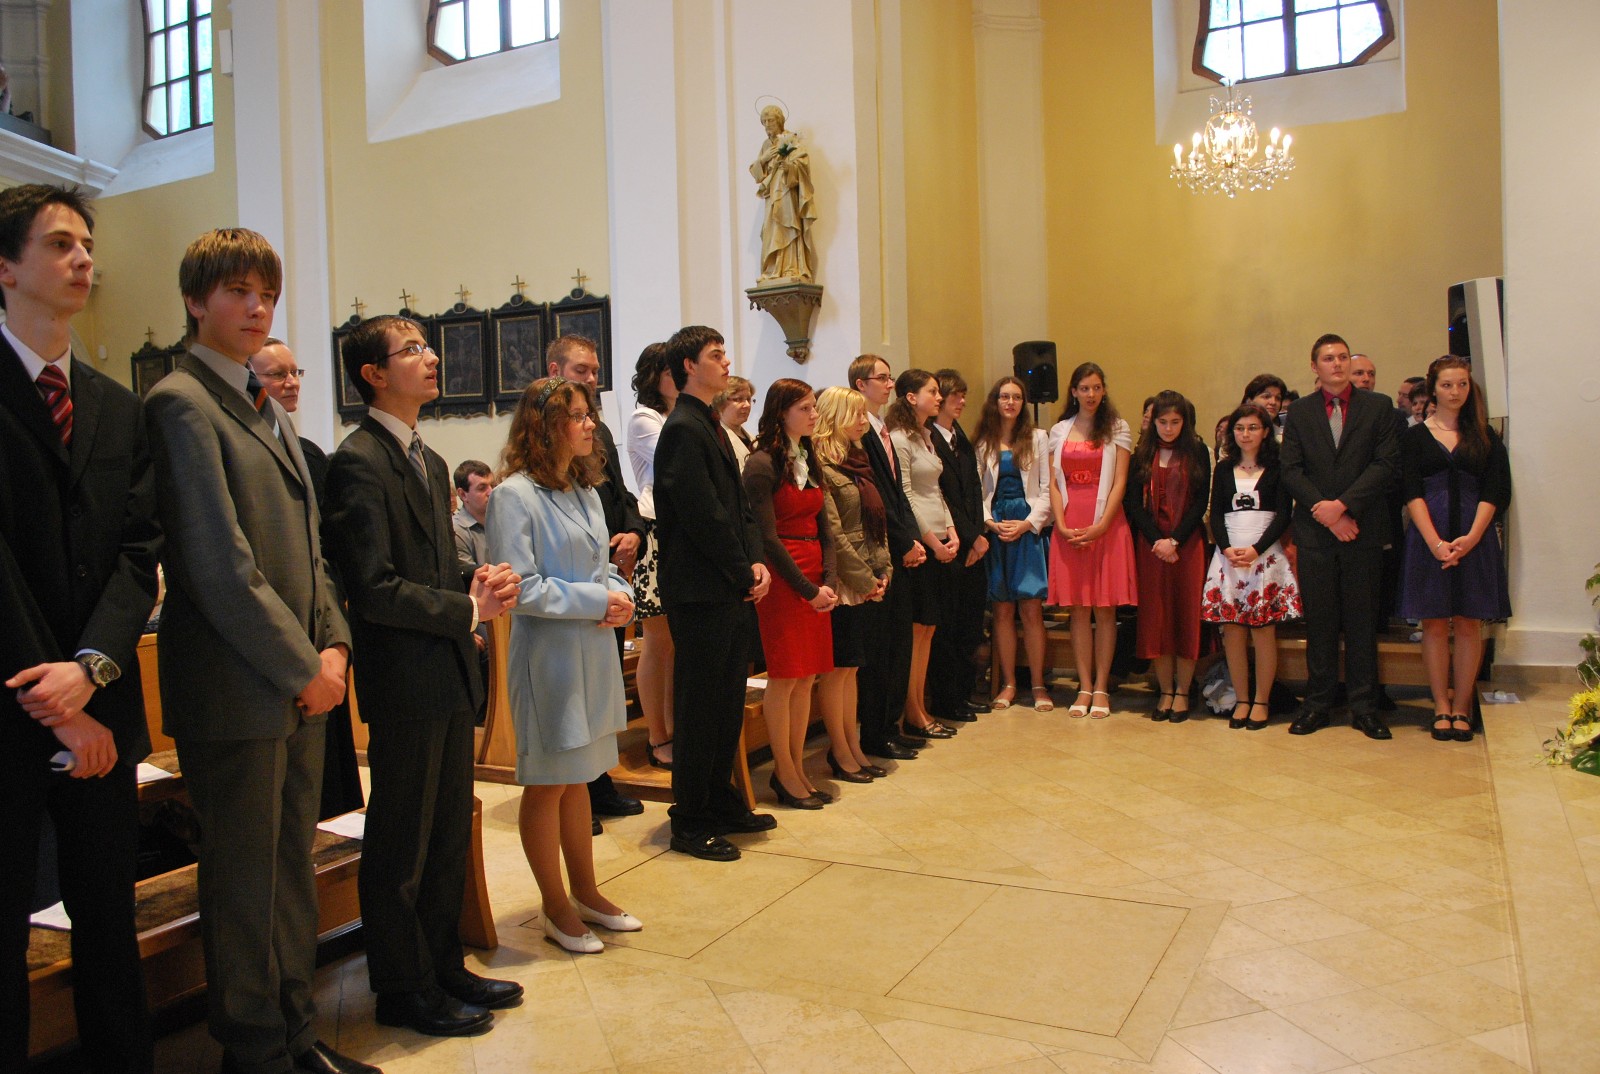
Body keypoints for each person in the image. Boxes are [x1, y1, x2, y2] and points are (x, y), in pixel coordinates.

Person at [144, 229, 374, 1074]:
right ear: (195, 300)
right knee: (244, 881)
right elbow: (216, 562)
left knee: (289, 869)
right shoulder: (180, 402)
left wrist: (335, 645)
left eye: (267, 293)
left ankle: (296, 1033)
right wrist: (302, 666)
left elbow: (311, 552)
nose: (256, 307)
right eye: (238, 291)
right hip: (239, 686)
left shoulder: (261, 402)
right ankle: (253, 1048)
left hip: (301, 681)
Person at [323, 315, 524, 1038]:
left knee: (445, 835)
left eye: (427, 346)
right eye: (411, 350)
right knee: (401, 842)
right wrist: (463, 607)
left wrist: (479, 582)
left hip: (446, 668)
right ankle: (401, 987)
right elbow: (372, 587)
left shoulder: (430, 460)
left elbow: (436, 569)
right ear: (373, 374)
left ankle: (443, 965)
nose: (430, 356)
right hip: (404, 676)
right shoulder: (357, 460)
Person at [1, 183, 159, 1074]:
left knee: (108, 916)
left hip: (102, 707)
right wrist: (53, 694)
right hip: (13, 706)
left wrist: (91, 669)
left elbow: (138, 551)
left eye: (87, 243)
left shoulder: (114, 404)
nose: (84, 257)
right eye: (60, 243)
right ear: (6, 266)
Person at [486, 376, 643, 952]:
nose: (589, 424)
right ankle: (554, 907)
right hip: (548, 657)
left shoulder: (583, 488)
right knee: (548, 783)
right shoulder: (514, 496)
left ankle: (587, 892)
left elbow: (602, 566)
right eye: (576, 415)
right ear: (545, 425)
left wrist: (621, 593)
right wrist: (600, 601)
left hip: (593, 650)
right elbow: (520, 588)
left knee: (580, 777)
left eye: (588, 414)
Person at [655, 326, 774, 861]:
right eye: (715, 355)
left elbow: (739, 507)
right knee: (700, 707)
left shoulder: (708, 422)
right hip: (701, 590)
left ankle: (721, 800)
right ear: (688, 366)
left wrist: (754, 561)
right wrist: (741, 570)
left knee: (727, 703)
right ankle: (689, 819)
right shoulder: (683, 428)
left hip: (726, 584)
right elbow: (701, 514)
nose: (726, 362)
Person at [249, 335, 365, 819]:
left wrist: (336, 641)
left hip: (321, 622)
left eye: (295, 372)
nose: (291, 382)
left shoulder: (310, 453)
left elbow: (328, 547)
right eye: (277, 374)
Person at [544, 335, 648, 827]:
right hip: (570, 581)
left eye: (594, 371)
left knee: (603, 695)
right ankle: (573, 795)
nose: (592, 378)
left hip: (605, 565)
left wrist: (633, 531)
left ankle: (599, 783)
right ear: (554, 371)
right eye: (581, 370)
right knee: (575, 700)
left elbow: (619, 491)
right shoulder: (546, 437)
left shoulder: (597, 429)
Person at [1280, 333, 1401, 739]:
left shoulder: (1378, 406)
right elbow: (1291, 469)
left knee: (1362, 622)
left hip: (1362, 530)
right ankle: (1317, 704)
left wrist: (1345, 506)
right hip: (1316, 532)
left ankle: (1365, 707)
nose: (1337, 364)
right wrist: (1327, 512)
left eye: (1343, 357)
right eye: (1329, 358)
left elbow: (1385, 464)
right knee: (1321, 622)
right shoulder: (1300, 412)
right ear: (1314, 366)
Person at [1398, 356, 1512, 742]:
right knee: (1433, 622)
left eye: (1462, 384)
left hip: (1473, 539)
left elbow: (1497, 490)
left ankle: (1462, 705)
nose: (1455, 392)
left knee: (1468, 622)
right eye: (1447, 385)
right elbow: (1410, 490)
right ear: (1433, 389)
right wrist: (1435, 543)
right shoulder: (1414, 437)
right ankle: (1440, 706)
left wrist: (1472, 538)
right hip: (1428, 538)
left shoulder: (1485, 435)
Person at [743, 378, 838, 808]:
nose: (814, 415)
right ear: (781, 412)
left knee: (807, 677)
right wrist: (806, 589)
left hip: (815, 575)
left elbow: (824, 527)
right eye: (805, 408)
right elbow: (766, 537)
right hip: (785, 579)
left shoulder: (807, 455)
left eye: (814, 407)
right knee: (785, 676)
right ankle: (783, 770)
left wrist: (829, 582)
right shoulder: (761, 463)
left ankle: (797, 766)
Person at [1046, 362, 1137, 719]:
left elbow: (1120, 482)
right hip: (1070, 524)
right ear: (1074, 391)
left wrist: (1101, 526)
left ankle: (1101, 686)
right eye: (1084, 388)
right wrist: (1061, 523)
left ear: (1104, 390)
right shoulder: (1059, 430)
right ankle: (1084, 686)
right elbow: (1054, 483)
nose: (1091, 394)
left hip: (1107, 525)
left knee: (1105, 609)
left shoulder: (1118, 428)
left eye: (1097, 387)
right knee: (1079, 610)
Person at [849, 355, 927, 762]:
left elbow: (899, 495)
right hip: (879, 552)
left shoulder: (883, 430)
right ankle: (876, 733)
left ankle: (891, 725)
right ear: (860, 385)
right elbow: (877, 499)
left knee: (899, 644)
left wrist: (912, 539)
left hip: (899, 548)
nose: (889, 384)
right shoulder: (860, 432)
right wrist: (903, 541)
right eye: (881, 378)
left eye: (890, 377)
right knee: (880, 650)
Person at [1202, 405, 1300, 729]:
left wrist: (1257, 549)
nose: (1246, 434)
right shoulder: (1224, 468)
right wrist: (1226, 548)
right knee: (1232, 630)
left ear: (1266, 431)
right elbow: (1216, 513)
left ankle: (1261, 700)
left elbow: (1284, 514)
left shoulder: (1277, 467)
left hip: (1265, 556)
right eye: (1240, 428)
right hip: (1229, 556)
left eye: (1253, 427)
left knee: (1263, 631)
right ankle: (1242, 699)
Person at [813, 387, 891, 782]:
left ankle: (853, 746)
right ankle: (840, 751)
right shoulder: (822, 465)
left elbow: (875, 523)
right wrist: (863, 579)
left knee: (852, 668)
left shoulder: (856, 460)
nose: (864, 421)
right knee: (839, 668)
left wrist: (884, 570)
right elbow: (835, 533)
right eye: (856, 414)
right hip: (844, 581)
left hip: (865, 576)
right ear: (836, 417)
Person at [1124, 391, 1209, 723]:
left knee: (1186, 615)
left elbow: (1200, 502)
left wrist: (1175, 540)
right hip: (1152, 547)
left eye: (1175, 422)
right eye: (1163, 422)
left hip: (1187, 545)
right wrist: (1158, 541)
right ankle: (1165, 691)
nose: (1169, 428)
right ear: (1153, 422)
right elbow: (1134, 504)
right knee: (1157, 619)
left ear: (1185, 422)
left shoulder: (1197, 452)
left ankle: (1184, 692)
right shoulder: (1142, 455)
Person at [887, 368, 960, 740]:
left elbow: (936, 491)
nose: (939, 397)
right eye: (932, 391)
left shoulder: (926, 435)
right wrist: (933, 542)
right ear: (911, 397)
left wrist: (953, 531)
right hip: (920, 543)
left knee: (929, 629)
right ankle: (913, 710)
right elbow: (906, 495)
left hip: (939, 538)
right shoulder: (899, 438)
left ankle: (920, 705)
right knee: (917, 629)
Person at [973, 376, 1051, 712]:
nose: (1010, 402)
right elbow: (976, 491)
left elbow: (1047, 489)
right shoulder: (983, 442)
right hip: (996, 528)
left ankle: (1038, 684)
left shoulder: (1038, 437)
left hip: (1027, 527)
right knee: (1002, 610)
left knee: (1031, 609)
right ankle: (1008, 683)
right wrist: (989, 522)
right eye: (1004, 396)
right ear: (995, 401)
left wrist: (1027, 524)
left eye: (1016, 397)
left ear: (1023, 403)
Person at [927, 369, 990, 723]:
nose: (961, 401)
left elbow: (974, 490)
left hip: (973, 543)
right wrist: (969, 536)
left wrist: (979, 535)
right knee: (948, 628)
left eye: (963, 395)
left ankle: (964, 694)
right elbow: (945, 497)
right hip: (952, 543)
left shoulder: (960, 436)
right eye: (955, 395)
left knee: (969, 626)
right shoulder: (930, 438)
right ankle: (946, 699)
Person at [626, 343, 678, 769]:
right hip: (655, 530)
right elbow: (677, 460)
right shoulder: (645, 418)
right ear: (654, 376)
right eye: (670, 370)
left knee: (676, 644)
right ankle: (657, 735)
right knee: (658, 642)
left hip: (679, 532)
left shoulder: (684, 413)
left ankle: (675, 727)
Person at [749, 104, 816, 282]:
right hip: (772, 194)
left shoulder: (791, 139)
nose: (767, 125)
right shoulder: (766, 145)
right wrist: (763, 159)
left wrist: (789, 168)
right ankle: (773, 269)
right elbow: (758, 175)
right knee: (770, 230)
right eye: (764, 121)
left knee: (788, 225)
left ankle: (791, 268)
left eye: (770, 120)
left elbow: (802, 166)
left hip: (787, 191)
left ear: (779, 121)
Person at [451, 459, 495, 573]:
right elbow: (472, 577)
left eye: (493, 485)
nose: (491, 492)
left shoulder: (502, 521)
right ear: (463, 495)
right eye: (482, 488)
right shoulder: (455, 531)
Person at [715, 374, 756, 470]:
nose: (747, 405)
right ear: (720, 401)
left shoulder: (753, 439)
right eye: (739, 399)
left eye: (748, 399)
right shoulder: (717, 439)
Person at [1241, 373, 1288, 441]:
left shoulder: (1284, 438)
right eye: (1266, 396)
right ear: (1249, 401)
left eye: (1278, 398)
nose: (1273, 402)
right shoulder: (1235, 433)